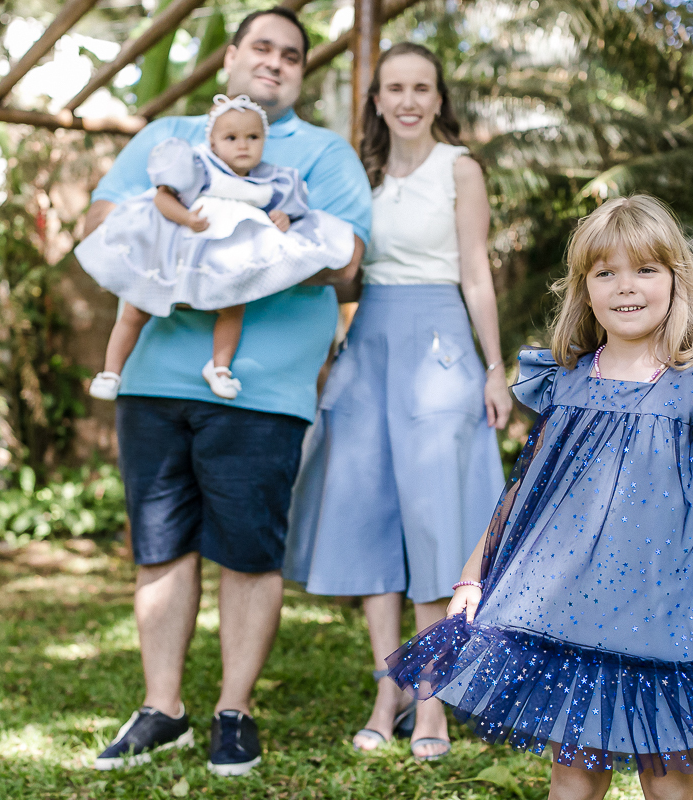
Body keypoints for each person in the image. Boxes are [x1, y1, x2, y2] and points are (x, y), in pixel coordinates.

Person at [386, 195, 693, 799]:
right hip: (569, 613)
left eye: (646, 269)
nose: (627, 287)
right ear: (584, 289)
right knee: (573, 776)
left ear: (677, 279)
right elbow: (523, 492)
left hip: (667, 615)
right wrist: (472, 577)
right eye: (606, 272)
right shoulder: (566, 381)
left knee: (670, 778)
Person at [80, 7, 371, 778]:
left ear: (301, 74)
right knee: (160, 546)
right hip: (151, 381)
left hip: (264, 389)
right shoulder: (165, 139)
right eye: (262, 49)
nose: (275, 63)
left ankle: (233, 712)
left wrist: (234, 246)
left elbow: (344, 261)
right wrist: (196, 237)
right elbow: (106, 219)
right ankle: (162, 707)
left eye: (291, 56)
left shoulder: (324, 155)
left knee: (248, 552)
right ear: (230, 60)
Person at [284, 43, 512, 761]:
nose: (409, 100)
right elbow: (338, 267)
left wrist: (495, 367)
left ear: (439, 99)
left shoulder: (461, 168)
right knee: (369, 520)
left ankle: (434, 699)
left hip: (441, 347)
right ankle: (389, 689)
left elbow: (476, 271)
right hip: (369, 348)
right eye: (395, 89)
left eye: (422, 87)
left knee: (436, 525)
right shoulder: (359, 174)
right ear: (376, 100)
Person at [77, 94, 355, 401]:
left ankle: (220, 368)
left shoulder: (272, 180)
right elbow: (162, 198)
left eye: (253, 137)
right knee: (136, 308)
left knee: (233, 309)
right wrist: (186, 218)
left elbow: (289, 212)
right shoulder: (199, 168)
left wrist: (282, 218)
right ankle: (111, 371)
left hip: (224, 264)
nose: (243, 145)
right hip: (176, 255)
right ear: (212, 142)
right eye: (231, 137)